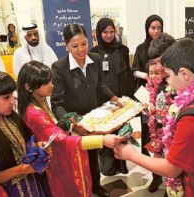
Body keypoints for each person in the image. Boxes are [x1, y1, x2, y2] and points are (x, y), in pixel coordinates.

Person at [114, 38, 194, 196]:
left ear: (184, 73)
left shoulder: (192, 115)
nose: (166, 79)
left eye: (168, 73)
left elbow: (172, 169)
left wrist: (131, 154)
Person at [17, 60, 127, 197]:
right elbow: (61, 141)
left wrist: (66, 126)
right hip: (55, 165)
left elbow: (52, 133)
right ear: (28, 87)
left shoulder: (39, 102)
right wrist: (102, 140)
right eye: (46, 83)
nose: (52, 85)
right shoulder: (34, 113)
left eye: (51, 81)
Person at [51, 24, 122, 197]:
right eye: (75, 46)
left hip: (93, 120)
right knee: (77, 162)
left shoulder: (95, 59)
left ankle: (96, 187)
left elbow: (100, 86)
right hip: (74, 124)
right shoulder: (59, 67)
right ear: (66, 45)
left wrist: (116, 100)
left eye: (84, 43)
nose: (81, 49)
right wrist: (71, 122)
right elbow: (56, 103)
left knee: (93, 156)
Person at [0, 67, 51, 196]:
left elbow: (24, 147)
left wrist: (37, 148)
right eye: (6, 97)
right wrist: (24, 169)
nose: (13, 100)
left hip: (34, 186)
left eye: (13, 94)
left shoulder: (11, 119)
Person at [90, 18, 135, 176]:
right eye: (105, 32)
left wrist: (129, 99)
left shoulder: (122, 49)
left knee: (120, 132)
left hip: (121, 100)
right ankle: (107, 166)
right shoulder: (93, 53)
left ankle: (121, 165)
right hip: (103, 100)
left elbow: (127, 74)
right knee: (106, 133)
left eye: (111, 32)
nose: (108, 35)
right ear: (98, 33)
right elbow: (95, 80)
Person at [144, 32, 176, 193]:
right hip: (161, 132)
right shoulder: (162, 80)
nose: (157, 67)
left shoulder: (181, 80)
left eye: (160, 62)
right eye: (154, 63)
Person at [132, 14, 163, 89]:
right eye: (153, 28)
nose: (156, 31)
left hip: (162, 86)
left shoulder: (165, 47)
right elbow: (134, 71)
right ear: (147, 29)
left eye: (159, 28)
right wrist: (146, 76)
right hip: (144, 86)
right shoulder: (140, 48)